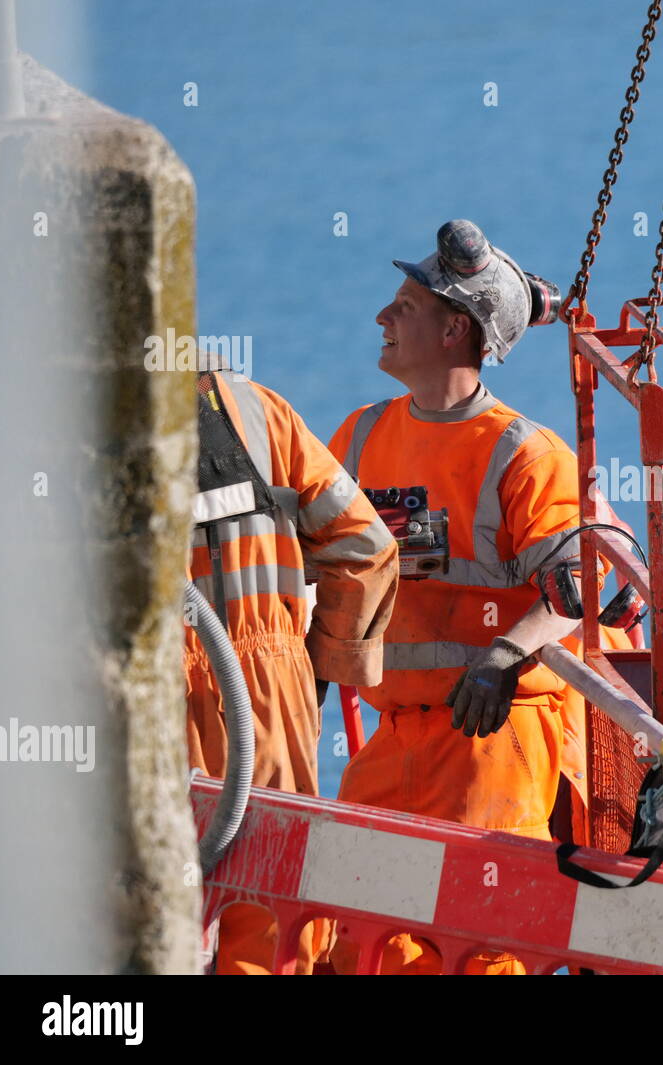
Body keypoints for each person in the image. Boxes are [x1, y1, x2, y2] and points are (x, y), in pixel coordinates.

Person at [326, 219, 629, 975]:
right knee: (352, 929)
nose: (383, 319)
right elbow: (322, 566)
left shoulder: (523, 454)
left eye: (404, 305)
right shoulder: (360, 438)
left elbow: (577, 587)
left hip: (492, 743)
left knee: (479, 945)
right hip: (396, 734)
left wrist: (502, 655)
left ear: (455, 327)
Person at [186, 367, 399, 974]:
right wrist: (320, 670)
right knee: (275, 913)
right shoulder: (254, 409)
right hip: (274, 693)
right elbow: (366, 547)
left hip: (149, 701)